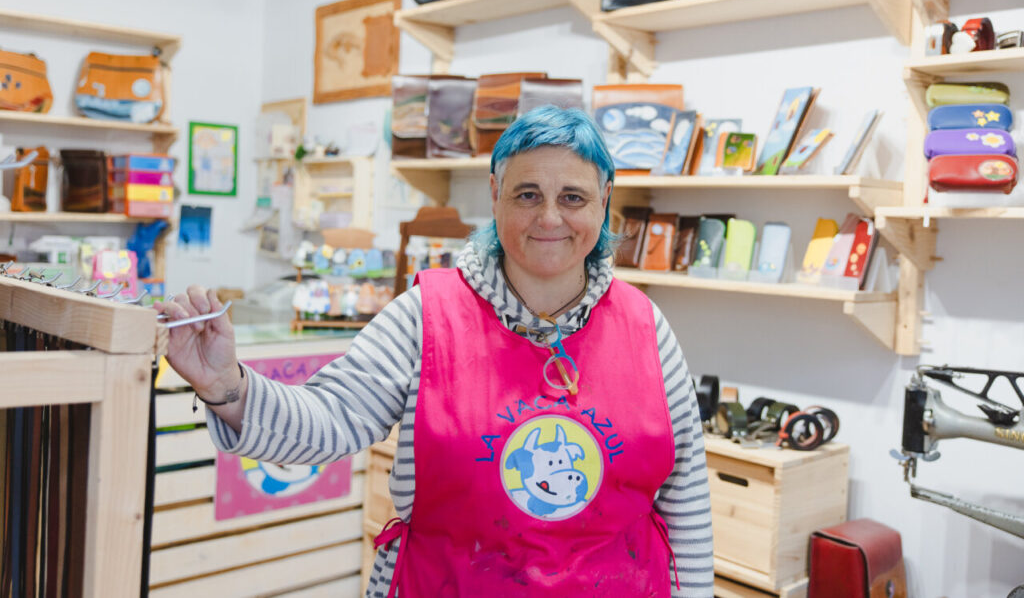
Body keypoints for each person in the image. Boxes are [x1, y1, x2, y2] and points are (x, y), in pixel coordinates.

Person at [158, 105, 714, 597]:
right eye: (527, 194)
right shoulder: (427, 314)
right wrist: (228, 386)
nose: (550, 217)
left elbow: (685, 495)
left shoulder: (645, 324)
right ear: (495, 195)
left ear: (605, 201)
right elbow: (330, 420)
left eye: (573, 197)